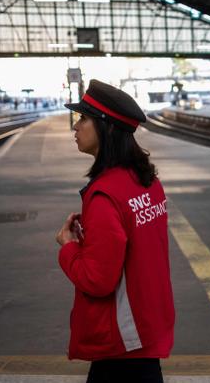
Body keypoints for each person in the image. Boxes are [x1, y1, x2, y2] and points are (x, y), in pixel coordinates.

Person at [56, 79, 174, 383]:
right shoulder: (146, 180)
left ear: (106, 128)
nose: (75, 126)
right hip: (147, 323)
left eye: (83, 118)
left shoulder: (104, 194)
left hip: (124, 338)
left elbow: (97, 281)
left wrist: (68, 247)